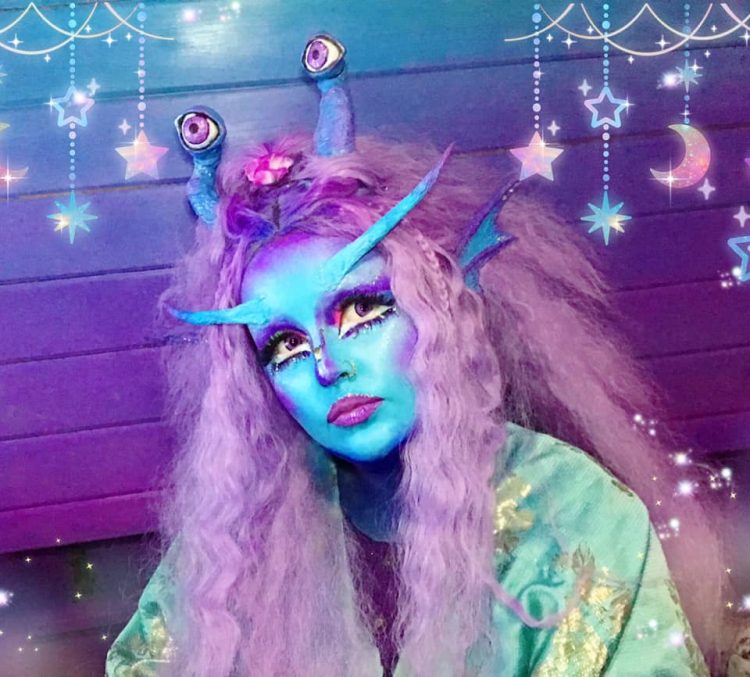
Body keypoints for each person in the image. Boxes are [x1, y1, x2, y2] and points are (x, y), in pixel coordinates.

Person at [106, 35, 731, 676]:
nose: (328, 367)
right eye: (285, 346)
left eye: (361, 312)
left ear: (436, 307)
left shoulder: (578, 515)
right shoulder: (240, 531)